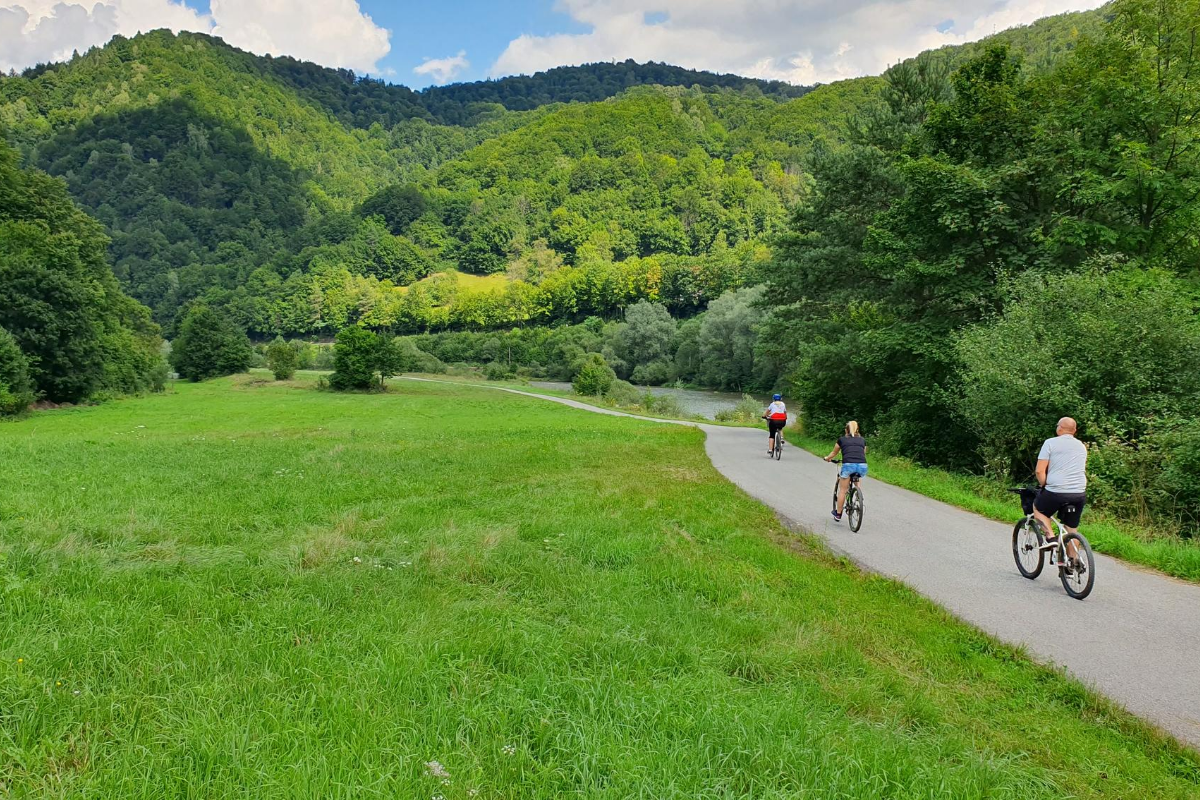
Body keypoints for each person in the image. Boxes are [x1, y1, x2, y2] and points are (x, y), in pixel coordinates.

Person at [1034, 417, 1087, 562]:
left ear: (1059, 428)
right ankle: (1072, 562)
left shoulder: (1050, 443)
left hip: (1056, 491)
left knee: (1038, 509)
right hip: (1079, 493)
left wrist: (1044, 484)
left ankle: (1051, 537)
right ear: (1074, 431)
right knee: (1071, 528)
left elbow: (1039, 471)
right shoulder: (1081, 446)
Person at [824, 421, 866, 522]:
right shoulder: (862, 440)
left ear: (846, 430)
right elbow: (863, 453)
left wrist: (827, 458)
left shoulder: (842, 440)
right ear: (857, 430)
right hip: (862, 465)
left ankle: (838, 514)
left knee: (843, 490)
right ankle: (858, 495)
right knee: (857, 477)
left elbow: (834, 453)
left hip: (848, 465)